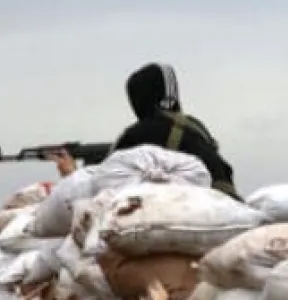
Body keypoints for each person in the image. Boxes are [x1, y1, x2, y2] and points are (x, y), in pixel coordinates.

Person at [49, 63, 241, 199]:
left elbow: (101, 187)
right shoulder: (194, 127)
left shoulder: (137, 134)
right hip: (224, 202)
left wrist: (72, 175)